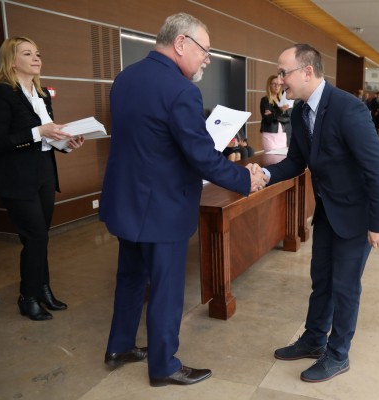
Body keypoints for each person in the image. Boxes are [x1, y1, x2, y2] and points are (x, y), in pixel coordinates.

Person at [99, 13, 267, 387]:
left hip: (126, 200)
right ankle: (163, 366)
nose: (207, 58)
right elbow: (201, 157)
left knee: (130, 277)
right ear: (181, 43)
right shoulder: (181, 91)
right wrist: (244, 178)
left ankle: (120, 346)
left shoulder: (125, 78)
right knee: (166, 288)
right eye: (205, 50)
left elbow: (149, 143)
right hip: (161, 207)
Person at [265, 44, 379, 383]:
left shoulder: (347, 108)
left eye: (283, 72)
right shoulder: (299, 111)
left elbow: (377, 168)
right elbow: (295, 161)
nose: (279, 80)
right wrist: (264, 175)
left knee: (345, 287)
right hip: (327, 213)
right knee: (320, 280)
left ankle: (338, 355)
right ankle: (314, 339)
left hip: (357, 216)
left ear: (308, 71)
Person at [0, 37, 85, 321]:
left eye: (37, 53)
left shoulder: (42, 94)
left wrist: (66, 144)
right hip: (16, 177)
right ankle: (27, 296)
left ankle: (43, 289)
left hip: (42, 173)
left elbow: (48, 137)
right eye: (27, 53)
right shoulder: (1, 93)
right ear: (11, 60)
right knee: (35, 236)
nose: (36, 57)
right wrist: (40, 132)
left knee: (40, 239)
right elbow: (0, 142)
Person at [260, 75, 290, 151]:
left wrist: (273, 113)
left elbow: (287, 118)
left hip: (281, 134)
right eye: (274, 84)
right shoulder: (265, 100)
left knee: (282, 158)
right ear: (269, 85)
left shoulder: (282, 100)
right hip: (269, 133)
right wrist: (280, 110)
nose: (277, 86)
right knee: (271, 158)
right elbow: (268, 119)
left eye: (279, 84)